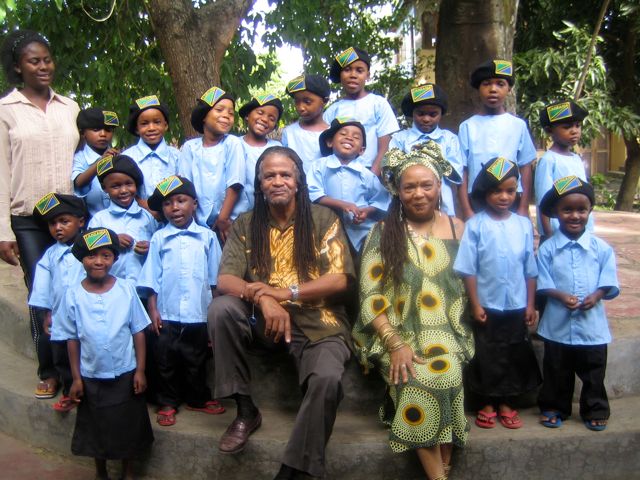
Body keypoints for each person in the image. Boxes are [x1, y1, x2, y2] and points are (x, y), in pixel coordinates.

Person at [208, 146, 354, 479]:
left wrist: (285, 293)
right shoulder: (246, 224)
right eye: (269, 176)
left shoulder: (323, 218)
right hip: (264, 322)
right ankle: (245, 409)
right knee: (221, 309)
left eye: (285, 175)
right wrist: (264, 299)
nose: (277, 181)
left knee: (327, 379)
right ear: (259, 184)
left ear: (298, 181)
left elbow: (340, 279)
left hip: (320, 322)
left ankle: (293, 472)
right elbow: (226, 280)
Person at [352, 143, 473, 480]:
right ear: (398, 191)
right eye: (409, 187)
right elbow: (370, 295)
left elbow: (467, 286)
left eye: (426, 185)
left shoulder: (458, 228)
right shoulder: (382, 232)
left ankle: (441, 471)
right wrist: (395, 343)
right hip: (394, 331)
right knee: (417, 378)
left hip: (446, 331)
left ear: (439, 187)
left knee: (447, 372)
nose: (419, 194)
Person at [0, 29, 80, 399]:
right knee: (42, 291)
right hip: (28, 219)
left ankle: (76, 370)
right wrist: (4, 231)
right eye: (34, 61)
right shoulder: (6, 111)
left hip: (69, 216)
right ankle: (49, 370)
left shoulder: (70, 108)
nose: (44, 66)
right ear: (18, 67)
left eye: (47, 59)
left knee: (74, 287)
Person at [54, 227, 153, 480]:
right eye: (91, 256)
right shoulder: (73, 295)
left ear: (114, 258)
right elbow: (72, 339)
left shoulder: (126, 289)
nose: (99, 261)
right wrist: (76, 378)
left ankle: (128, 471)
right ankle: (101, 472)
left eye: (106, 255)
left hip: (125, 371)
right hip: (91, 375)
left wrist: (140, 370)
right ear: (82, 259)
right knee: (96, 427)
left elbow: (138, 331)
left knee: (128, 425)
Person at [453, 157, 541, 429]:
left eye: (510, 191)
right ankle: (487, 402)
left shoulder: (523, 225)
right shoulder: (475, 225)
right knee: (487, 353)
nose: (504, 197)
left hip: (516, 304)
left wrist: (530, 304)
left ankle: (507, 403)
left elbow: (530, 269)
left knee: (513, 351)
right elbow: (468, 268)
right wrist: (475, 304)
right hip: (487, 304)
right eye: (496, 191)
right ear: (484, 193)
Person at [138, 175, 224, 426]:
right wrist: (153, 309)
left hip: (198, 314)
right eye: (167, 204)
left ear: (194, 204)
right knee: (165, 360)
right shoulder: (159, 239)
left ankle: (197, 398)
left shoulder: (207, 237)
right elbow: (152, 277)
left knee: (196, 359)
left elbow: (215, 279)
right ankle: (167, 402)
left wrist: (213, 314)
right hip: (166, 314)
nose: (174, 208)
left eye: (181, 200)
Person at [536, 177, 619, 431]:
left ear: (590, 210)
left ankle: (595, 409)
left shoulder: (601, 249)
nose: (575, 215)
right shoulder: (548, 249)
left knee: (594, 372)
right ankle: (554, 407)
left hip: (591, 327)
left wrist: (597, 295)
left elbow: (608, 278)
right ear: (556, 212)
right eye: (567, 210)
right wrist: (560, 296)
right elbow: (543, 280)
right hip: (557, 326)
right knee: (556, 369)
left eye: (581, 210)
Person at [28, 193, 87, 412]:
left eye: (64, 221)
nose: (58, 228)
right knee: (62, 356)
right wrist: (47, 314)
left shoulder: (89, 250)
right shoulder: (50, 255)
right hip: (61, 316)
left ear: (80, 221)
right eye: (53, 224)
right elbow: (43, 287)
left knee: (88, 353)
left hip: (88, 313)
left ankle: (90, 392)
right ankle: (70, 391)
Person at [458, 59, 536, 220]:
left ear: (509, 89)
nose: (493, 89)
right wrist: (466, 210)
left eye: (500, 84)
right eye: (486, 84)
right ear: (478, 89)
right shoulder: (467, 127)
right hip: (478, 199)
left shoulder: (518, 126)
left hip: (511, 198)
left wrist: (523, 207)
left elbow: (525, 167)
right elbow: (462, 170)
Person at [308, 118, 390, 255]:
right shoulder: (319, 166)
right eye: (343, 134)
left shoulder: (367, 175)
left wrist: (367, 211)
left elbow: (381, 200)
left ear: (361, 150)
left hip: (361, 234)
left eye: (356, 137)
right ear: (330, 142)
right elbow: (313, 193)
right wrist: (342, 205)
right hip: (327, 230)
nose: (349, 138)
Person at [179, 86, 244, 242]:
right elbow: (185, 185)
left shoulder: (232, 143)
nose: (226, 115)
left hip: (227, 223)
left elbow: (235, 183)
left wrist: (223, 218)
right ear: (204, 116)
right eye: (219, 110)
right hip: (196, 223)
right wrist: (192, 221)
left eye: (231, 113)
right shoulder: (190, 147)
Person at [323, 47, 399, 175]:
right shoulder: (333, 110)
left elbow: (385, 146)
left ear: (367, 75)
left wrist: (372, 177)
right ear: (340, 75)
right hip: (339, 173)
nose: (353, 75)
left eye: (359, 70)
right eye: (347, 70)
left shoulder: (378, 104)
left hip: (372, 172)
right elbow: (326, 146)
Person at [390, 84, 463, 216]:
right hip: (409, 203)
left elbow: (456, 174)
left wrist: (434, 157)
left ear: (441, 114)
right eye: (421, 113)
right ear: (413, 113)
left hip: (442, 205)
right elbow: (391, 171)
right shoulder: (400, 139)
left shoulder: (449, 139)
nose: (426, 119)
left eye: (433, 114)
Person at [88, 154, 158, 284]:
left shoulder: (147, 217)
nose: (124, 190)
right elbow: (88, 250)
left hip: (141, 285)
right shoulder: (99, 219)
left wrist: (150, 248)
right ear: (104, 188)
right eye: (116, 186)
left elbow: (158, 243)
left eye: (129, 184)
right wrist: (111, 240)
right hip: (110, 288)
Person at [535, 99, 592, 240]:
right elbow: (543, 200)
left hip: (580, 230)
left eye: (578, 126)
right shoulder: (549, 160)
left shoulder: (576, 158)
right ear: (549, 130)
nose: (574, 131)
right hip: (556, 232)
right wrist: (548, 234)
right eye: (567, 127)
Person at [121, 94, 179, 202]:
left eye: (157, 122)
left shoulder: (177, 157)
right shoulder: (126, 158)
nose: (151, 128)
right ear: (137, 129)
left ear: (165, 125)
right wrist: (145, 206)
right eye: (144, 124)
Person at [234, 94, 283, 215]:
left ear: (275, 126)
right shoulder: (234, 144)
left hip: (268, 213)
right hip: (236, 215)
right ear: (247, 115)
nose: (265, 119)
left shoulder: (276, 147)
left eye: (272, 118)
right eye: (260, 113)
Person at [72, 107, 120, 217]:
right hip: (92, 220)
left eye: (108, 130)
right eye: (96, 130)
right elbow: (78, 183)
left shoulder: (118, 155)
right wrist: (100, 163)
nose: (103, 134)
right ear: (83, 133)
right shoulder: (79, 157)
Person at [281, 74, 330, 173]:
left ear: (324, 101)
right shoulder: (289, 133)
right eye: (296, 102)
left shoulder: (333, 133)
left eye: (307, 102)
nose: (301, 108)